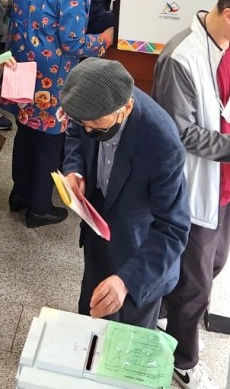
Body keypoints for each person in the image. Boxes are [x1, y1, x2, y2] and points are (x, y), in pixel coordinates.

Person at [152, 0, 230, 389]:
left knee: (212, 265)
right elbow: (181, 133)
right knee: (196, 283)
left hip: (224, 182)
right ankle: (183, 360)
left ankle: (158, 317)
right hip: (193, 186)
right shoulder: (181, 57)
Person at [5, 0, 116, 228]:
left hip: (20, 61)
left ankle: (19, 194)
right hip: (50, 75)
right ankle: (39, 207)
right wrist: (103, 40)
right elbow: (72, 42)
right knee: (50, 138)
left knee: (25, 129)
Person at [61, 58, 190, 328]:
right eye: (84, 122)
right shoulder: (89, 108)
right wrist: (76, 170)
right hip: (99, 233)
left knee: (128, 346)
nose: (88, 128)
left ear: (127, 108)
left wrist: (126, 281)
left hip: (140, 253)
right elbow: (76, 133)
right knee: (90, 325)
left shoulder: (162, 143)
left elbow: (173, 228)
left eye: (97, 123)